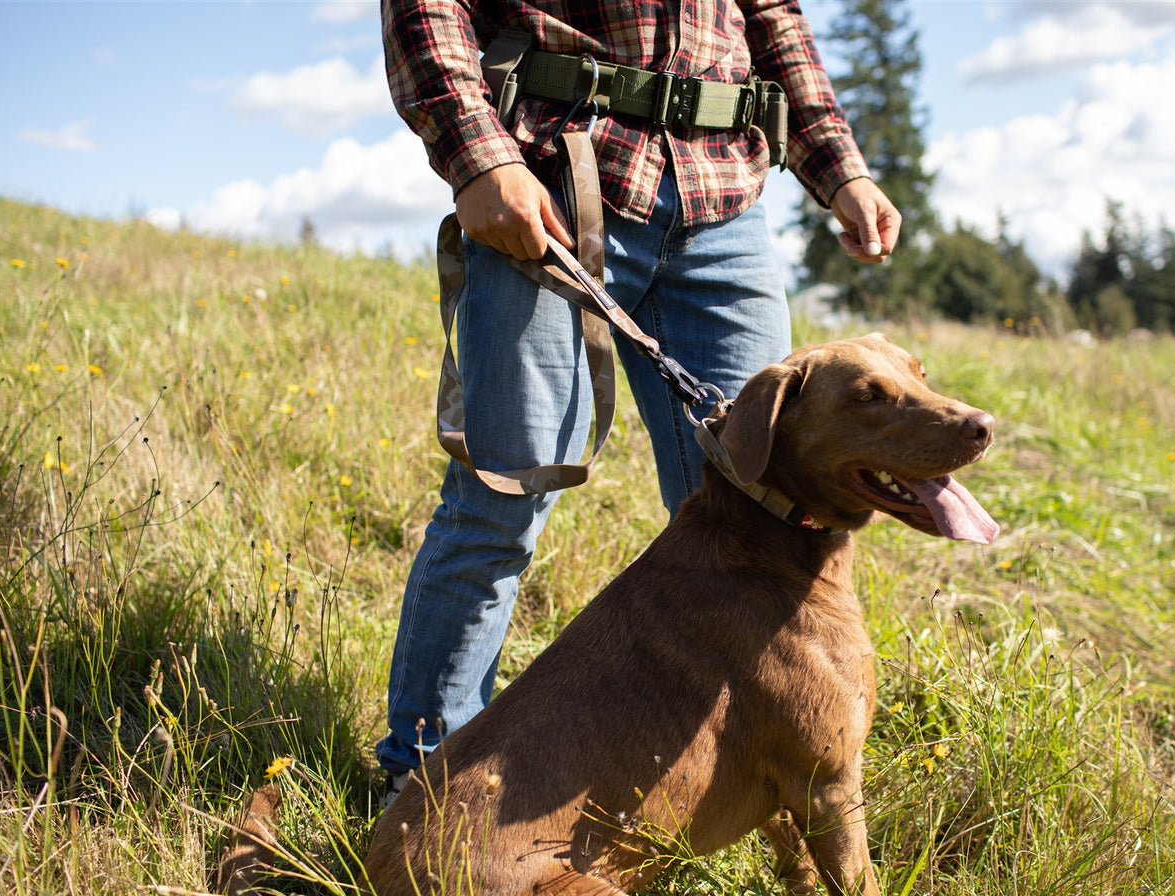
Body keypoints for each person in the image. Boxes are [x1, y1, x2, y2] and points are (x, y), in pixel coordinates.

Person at [375, 0, 901, 794]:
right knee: (502, 499)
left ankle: (734, 784)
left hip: (723, 201)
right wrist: (479, 158)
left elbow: (775, 20)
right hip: (552, 179)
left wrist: (840, 166)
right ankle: (419, 791)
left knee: (766, 505)